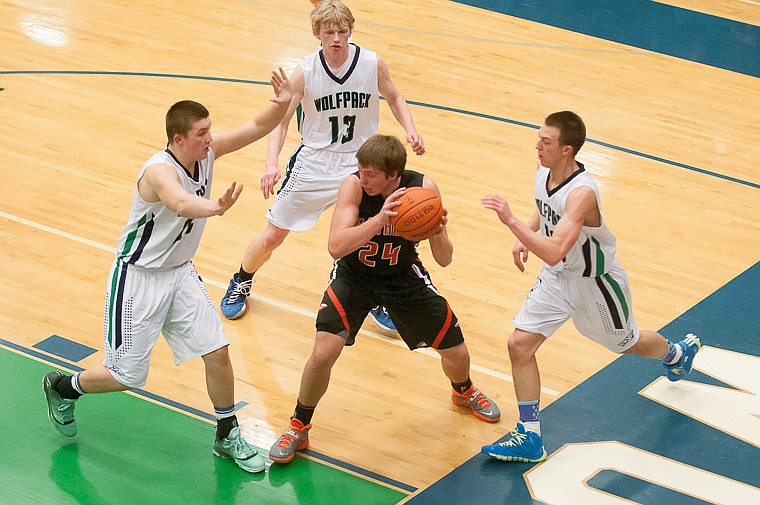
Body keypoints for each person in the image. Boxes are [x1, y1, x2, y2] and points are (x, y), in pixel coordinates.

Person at [42, 69, 293, 474]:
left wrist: (280, 103)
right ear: (179, 139)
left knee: (218, 351)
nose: (210, 137)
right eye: (202, 132)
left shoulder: (207, 153)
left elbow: (257, 126)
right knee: (126, 375)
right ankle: (62, 387)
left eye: (210, 130)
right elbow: (178, 202)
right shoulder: (158, 170)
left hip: (178, 273)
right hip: (138, 278)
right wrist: (214, 207)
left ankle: (227, 433)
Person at [479, 111, 702, 463]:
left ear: (567, 150)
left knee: (626, 343)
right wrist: (529, 232)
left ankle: (676, 354)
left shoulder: (583, 193)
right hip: (558, 280)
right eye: (539, 138)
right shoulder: (544, 171)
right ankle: (530, 437)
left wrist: (512, 222)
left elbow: (553, 252)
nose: (537, 145)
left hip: (596, 284)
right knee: (519, 345)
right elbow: (545, 206)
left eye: (546, 142)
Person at [267, 134, 500, 464]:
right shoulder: (354, 187)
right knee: (322, 353)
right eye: (360, 170)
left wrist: (438, 231)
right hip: (354, 274)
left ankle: (462, 391)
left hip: (402, 275)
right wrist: (379, 220)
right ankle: (298, 426)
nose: (362, 178)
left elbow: (445, 259)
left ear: (394, 175)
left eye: (370, 173)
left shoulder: (423, 189)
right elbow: (336, 246)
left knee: (457, 351)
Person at [220, 0, 425, 334]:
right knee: (273, 235)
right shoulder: (304, 71)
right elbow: (280, 120)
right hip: (315, 162)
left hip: (361, 162)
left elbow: (395, 97)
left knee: (372, 232)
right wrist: (271, 162)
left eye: (342, 32)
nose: (336, 39)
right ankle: (242, 279)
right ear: (317, 33)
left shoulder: (372, 63)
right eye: (329, 32)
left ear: (350, 31)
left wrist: (410, 129)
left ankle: (374, 297)